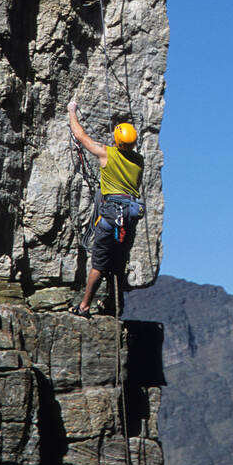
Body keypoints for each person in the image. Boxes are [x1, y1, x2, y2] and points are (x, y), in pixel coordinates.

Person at [67, 100, 144, 316]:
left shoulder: (106, 154)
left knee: (98, 264)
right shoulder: (139, 161)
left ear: (116, 141)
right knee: (118, 262)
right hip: (129, 217)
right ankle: (113, 303)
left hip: (111, 214)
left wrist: (72, 111)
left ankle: (84, 306)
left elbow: (81, 137)